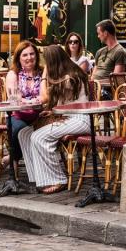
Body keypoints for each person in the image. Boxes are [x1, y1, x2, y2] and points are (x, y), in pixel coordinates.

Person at [17, 45, 91, 194]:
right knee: (24, 134)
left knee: (38, 137)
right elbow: (63, 101)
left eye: (47, 62)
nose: (44, 64)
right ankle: (38, 178)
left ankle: (58, 179)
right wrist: (50, 111)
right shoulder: (62, 76)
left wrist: (44, 74)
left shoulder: (71, 76)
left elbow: (44, 96)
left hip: (79, 119)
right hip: (65, 117)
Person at [4, 40, 43, 158]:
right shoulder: (13, 74)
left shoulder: (42, 73)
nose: (29, 57)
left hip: (39, 115)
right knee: (21, 130)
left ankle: (12, 158)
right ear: (19, 58)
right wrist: (34, 100)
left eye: (32, 54)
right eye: (25, 55)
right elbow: (15, 100)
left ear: (36, 55)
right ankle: (15, 158)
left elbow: (46, 95)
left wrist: (30, 100)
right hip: (17, 115)